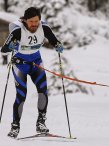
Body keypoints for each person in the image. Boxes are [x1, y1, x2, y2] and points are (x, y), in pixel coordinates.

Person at [0, 7, 64, 138]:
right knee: (21, 95)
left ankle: (41, 122)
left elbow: (53, 40)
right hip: (20, 65)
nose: (34, 24)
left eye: (36, 21)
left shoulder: (44, 28)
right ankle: (15, 127)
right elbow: (4, 50)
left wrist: (58, 45)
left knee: (43, 91)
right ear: (25, 20)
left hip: (36, 63)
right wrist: (9, 47)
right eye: (31, 22)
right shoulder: (18, 31)